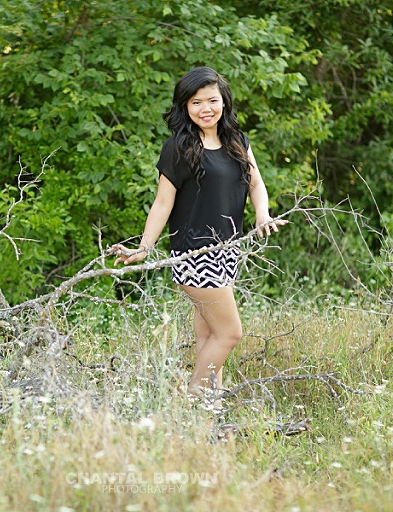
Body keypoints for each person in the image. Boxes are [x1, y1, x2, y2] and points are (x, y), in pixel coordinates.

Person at [108, 66, 288, 407]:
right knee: (229, 333)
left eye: (212, 100)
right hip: (195, 254)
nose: (206, 108)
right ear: (185, 107)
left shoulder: (237, 141)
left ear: (224, 102)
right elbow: (163, 203)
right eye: (196, 102)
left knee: (208, 334)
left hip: (227, 250)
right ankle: (193, 396)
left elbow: (257, 184)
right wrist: (144, 248)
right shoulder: (179, 148)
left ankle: (212, 409)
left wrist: (262, 214)